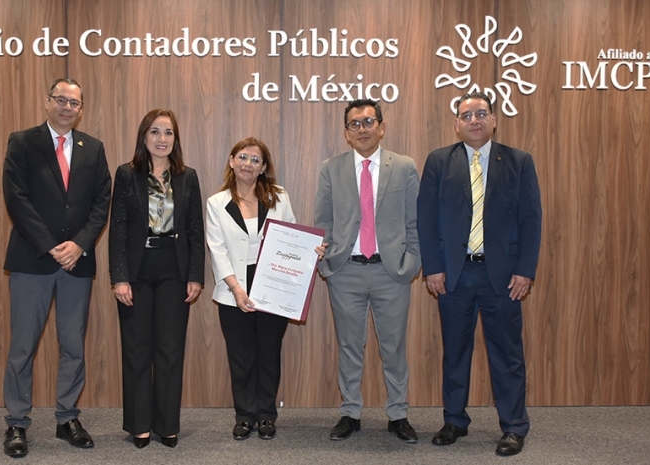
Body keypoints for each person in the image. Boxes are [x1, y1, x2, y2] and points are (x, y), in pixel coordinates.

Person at [417, 91, 542, 456]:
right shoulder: (440, 161)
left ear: (493, 120)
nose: (474, 120)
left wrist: (525, 271)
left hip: (502, 276)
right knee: (455, 351)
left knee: (507, 353)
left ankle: (514, 426)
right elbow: (426, 218)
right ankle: (454, 420)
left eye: (481, 113)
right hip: (454, 275)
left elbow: (531, 220)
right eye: (466, 115)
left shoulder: (518, 162)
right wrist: (433, 267)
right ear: (456, 123)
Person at [1, 78, 112, 458]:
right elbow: (16, 198)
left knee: (72, 346)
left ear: (82, 109)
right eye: (61, 100)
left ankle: (67, 418)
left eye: (74, 103)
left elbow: (101, 203)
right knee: (23, 346)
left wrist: (79, 245)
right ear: (47, 102)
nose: (67, 107)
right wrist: (51, 246)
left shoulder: (93, 149)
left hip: (76, 264)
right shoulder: (23, 142)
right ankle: (17, 422)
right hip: (33, 260)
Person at [314, 99, 422, 443]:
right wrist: (325, 253)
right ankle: (350, 413)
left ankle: (398, 414)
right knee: (350, 345)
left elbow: (414, 221)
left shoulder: (404, 167)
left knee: (393, 347)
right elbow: (324, 220)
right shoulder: (331, 168)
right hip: (345, 271)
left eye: (368, 121)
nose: (362, 128)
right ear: (346, 133)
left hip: (392, 272)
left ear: (382, 126)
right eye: (355, 124)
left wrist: (413, 260)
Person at [108, 109, 205, 449]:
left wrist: (195, 276)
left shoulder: (187, 177)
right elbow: (117, 228)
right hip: (136, 269)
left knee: (169, 350)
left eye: (168, 133)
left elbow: (195, 230)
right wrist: (119, 277)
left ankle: (166, 424)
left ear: (175, 140)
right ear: (144, 137)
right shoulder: (126, 174)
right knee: (136, 349)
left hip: (174, 270)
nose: (162, 139)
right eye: (155, 132)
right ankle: (139, 424)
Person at [205, 137, 304, 441]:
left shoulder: (279, 197)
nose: (248, 164)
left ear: (263, 168)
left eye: (255, 160)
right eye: (243, 157)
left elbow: (293, 236)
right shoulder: (216, 203)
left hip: (272, 284)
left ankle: (265, 415)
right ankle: (244, 416)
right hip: (233, 287)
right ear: (232, 161)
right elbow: (217, 250)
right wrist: (236, 289)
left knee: (268, 353)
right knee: (241, 355)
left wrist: (309, 252)